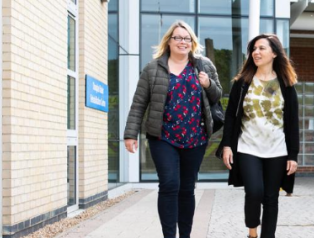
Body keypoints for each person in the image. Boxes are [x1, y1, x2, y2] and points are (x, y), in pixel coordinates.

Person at [124, 20, 222, 238]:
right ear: (168, 41)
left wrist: (208, 85)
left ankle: (185, 235)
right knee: (169, 184)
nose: (182, 42)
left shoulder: (204, 66)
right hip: (163, 137)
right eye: (177, 37)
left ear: (192, 43)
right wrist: (130, 133)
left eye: (187, 38)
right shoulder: (152, 69)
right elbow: (139, 103)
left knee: (187, 189)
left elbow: (218, 96)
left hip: (196, 138)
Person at [218, 34, 299, 238]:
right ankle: (252, 230)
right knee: (254, 192)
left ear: (274, 53)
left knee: (271, 198)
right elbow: (231, 116)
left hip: (277, 150)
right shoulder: (243, 82)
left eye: (262, 48)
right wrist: (227, 145)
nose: (256, 52)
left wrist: (293, 156)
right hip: (248, 148)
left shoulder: (286, 85)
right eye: (254, 49)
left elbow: (292, 122)